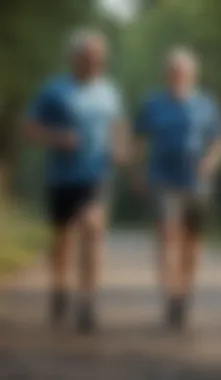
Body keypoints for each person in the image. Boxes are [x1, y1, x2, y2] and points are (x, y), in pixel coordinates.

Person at [23, 29, 129, 333]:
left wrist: (120, 148)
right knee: (62, 239)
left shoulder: (110, 90)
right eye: (88, 57)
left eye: (99, 57)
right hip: (61, 176)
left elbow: (118, 124)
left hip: (96, 175)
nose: (95, 62)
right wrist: (56, 137)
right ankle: (59, 288)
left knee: (93, 228)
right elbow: (29, 128)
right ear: (74, 58)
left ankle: (87, 300)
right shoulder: (53, 90)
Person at [133, 47, 221, 330]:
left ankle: (184, 293)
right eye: (173, 71)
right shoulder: (153, 103)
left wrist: (210, 162)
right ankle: (170, 296)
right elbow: (138, 139)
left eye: (183, 72)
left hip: (197, 182)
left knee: (192, 242)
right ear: (165, 75)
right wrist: (137, 172)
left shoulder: (207, 103)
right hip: (163, 179)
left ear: (193, 75)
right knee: (167, 236)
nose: (178, 76)